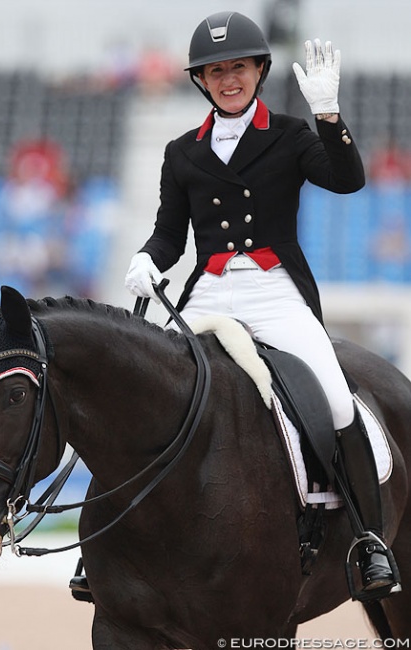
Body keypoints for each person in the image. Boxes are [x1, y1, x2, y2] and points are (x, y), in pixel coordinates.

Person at [123, 11, 401, 600]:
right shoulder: (181, 152)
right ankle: (112, 540)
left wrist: (328, 114)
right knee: (140, 388)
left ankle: (368, 540)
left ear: (259, 71)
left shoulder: (292, 134)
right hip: (210, 290)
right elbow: (171, 234)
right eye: (216, 70)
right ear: (202, 79)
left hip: (275, 290)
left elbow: (348, 180)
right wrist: (149, 257)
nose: (229, 80)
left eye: (239, 68)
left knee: (334, 397)